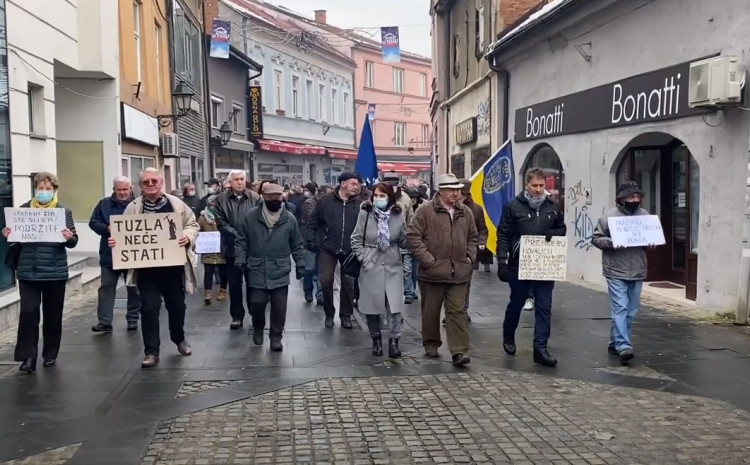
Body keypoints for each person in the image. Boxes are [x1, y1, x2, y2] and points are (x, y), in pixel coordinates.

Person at [112, 167, 199, 368]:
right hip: (147, 270)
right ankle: (151, 352)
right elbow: (123, 234)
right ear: (140, 186)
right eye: (146, 182)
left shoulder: (177, 204)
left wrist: (187, 236)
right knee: (149, 309)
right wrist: (117, 242)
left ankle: (179, 339)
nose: (150, 185)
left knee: (177, 307)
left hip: (173, 268)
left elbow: (192, 225)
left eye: (154, 181)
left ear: (161, 183)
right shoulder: (133, 208)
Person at [3, 172, 77, 373]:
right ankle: (28, 357)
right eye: (41, 188)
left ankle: (50, 354)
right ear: (35, 189)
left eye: (48, 189)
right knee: (28, 313)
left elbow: (73, 242)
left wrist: (69, 237)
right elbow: (15, 239)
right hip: (29, 272)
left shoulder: (63, 212)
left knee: (53, 316)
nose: (44, 192)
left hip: (55, 272)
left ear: (54, 190)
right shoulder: (24, 210)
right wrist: (7, 234)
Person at [496, 167, 566, 367]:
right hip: (519, 264)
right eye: (534, 185)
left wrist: (555, 234)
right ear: (526, 185)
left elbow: (561, 228)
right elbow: (503, 234)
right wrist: (502, 261)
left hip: (545, 264)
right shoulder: (513, 206)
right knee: (517, 302)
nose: (537, 189)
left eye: (541, 185)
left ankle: (540, 348)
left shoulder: (553, 206)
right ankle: (508, 334)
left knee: (544, 306)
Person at [407, 173, 478, 367]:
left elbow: (473, 236)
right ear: (441, 191)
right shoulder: (425, 211)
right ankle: (431, 343)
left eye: (457, 189)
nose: (456, 193)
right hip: (432, 272)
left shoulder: (465, 212)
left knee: (457, 312)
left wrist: (470, 257)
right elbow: (413, 236)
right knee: (430, 311)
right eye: (451, 190)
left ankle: (459, 351)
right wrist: (428, 260)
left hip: (459, 271)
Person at [235, 183, 305, 351]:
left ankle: (276, 337)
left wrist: (301, 264)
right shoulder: (251, 217)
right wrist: (240, 259)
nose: (275, 201)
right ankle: (258, 327)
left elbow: (297, 244)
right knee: (256, 303)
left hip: (280, 267)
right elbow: (241, 240)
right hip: (257, 267)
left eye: (278, 198)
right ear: (264, 198)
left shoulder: (289, 219)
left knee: (279, 307)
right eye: (271, 198)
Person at [593, 181, 655, 362]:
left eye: (637, 196)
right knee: (620, 307)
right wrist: (612, 242)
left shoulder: (644, 216)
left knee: (631, 310)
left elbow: (650, 240)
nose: (635, 199)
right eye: (631, 196)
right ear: (621, 198)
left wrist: (651, 244)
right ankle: (624, 345)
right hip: (615, 269)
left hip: (637, 268)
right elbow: (596, 239)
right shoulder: (608, 217)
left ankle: (615, 341)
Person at [351, 183, 408, 359]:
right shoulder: (365, 213)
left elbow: (404, 240)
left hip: (392, 264)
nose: (378, 199)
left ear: (389, 197)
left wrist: (412, 239)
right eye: (375, 195)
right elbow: (356, 239)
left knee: (394, 306)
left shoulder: (398, 215)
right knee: (372, 306)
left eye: (382, 196)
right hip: (371, 264)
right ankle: (376, 340)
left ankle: (394, 342)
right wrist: (364, 258)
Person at [305, 173, 361, 329]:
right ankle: (329, 313)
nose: (356, 187)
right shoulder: (326, 201)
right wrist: (312, 242)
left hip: (350, 250)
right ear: (343, 184)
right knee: (326, 280)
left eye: (357, 184)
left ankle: (346, 315)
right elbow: (313, 222)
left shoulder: (359, 204)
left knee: (348, 283)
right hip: (327, 248)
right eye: (353, 183)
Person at [89, 176, 140, 333]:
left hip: (132, 255)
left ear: (130, 189)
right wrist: (107, 229)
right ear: (114, 190)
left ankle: (132, 319)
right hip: (109, 254)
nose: (122, 193)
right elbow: (93, 222)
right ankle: (104, 321)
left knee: (133, 288)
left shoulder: (138, 204)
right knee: (106, 287)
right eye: (119, 190)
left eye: (125, 189)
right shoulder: (103, 204)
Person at [214, 169, 261, 329]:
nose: (239, 182)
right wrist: (240, 235)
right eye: (236, 179)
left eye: (242, 179)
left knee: (252, 284)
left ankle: (254, 314)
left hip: (252, 249)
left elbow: (261, 220)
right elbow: (221, 223)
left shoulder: (255, 198)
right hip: (231, 249)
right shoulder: (221, 199)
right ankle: (237, 317)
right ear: (230, 182)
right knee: (234, 285)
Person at [459, 180, 488, 315]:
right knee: (451, 284)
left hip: (469, 252)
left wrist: (481, 242)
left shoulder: (476, 209)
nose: (458, 196)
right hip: (450, 252)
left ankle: (463, 310)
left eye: (461, 193)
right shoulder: (450, 207)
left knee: (466, 282)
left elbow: (482, 229)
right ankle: (452, 311)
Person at [198, 194, 227, 305]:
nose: (213, 205)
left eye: (216, 204)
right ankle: (208, 293)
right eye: (211, 203)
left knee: (223, 272)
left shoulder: (224, 216)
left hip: (222, 249)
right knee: (208, 271)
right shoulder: (202, 218)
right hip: (208, 249)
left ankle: (223, 290)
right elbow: (198, 230)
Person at [300, 182, 324, 305]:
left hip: (323, 243)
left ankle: (320, 295)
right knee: (309, 269)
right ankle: (308, 291)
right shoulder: (309, 203)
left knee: (321, 271)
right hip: (310, 242)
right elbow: (311, 219)